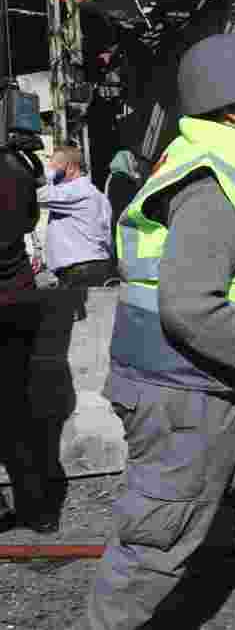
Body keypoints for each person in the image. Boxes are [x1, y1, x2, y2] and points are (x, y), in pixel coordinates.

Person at [85, 33, 235, 629]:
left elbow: (232, 287)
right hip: (185, 399)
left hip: (219, 386)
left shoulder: (217, 167)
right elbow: (189, 306)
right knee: (155, 548)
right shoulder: (213, 182)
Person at [0, 145, 58, 534]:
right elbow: (29, 219)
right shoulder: (17, 165)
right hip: (18, 298)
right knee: (16, 407)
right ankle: (38, 510)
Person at [38, 145, 115, 289]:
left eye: (54, 166)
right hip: (93, 265)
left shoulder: (76, 190)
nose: (51, 170)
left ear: (70, 167)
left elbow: (35, 195)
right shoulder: (96, 194)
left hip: (80, 269)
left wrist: (47, 176)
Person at [104, 149, 147, 259]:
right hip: (125, 224)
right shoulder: (121, 179)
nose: (135, 163)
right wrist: (138, 184)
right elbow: (133, 202)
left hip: (118, 222)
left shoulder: (114, 177)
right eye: (132, 160)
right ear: (125, 161)